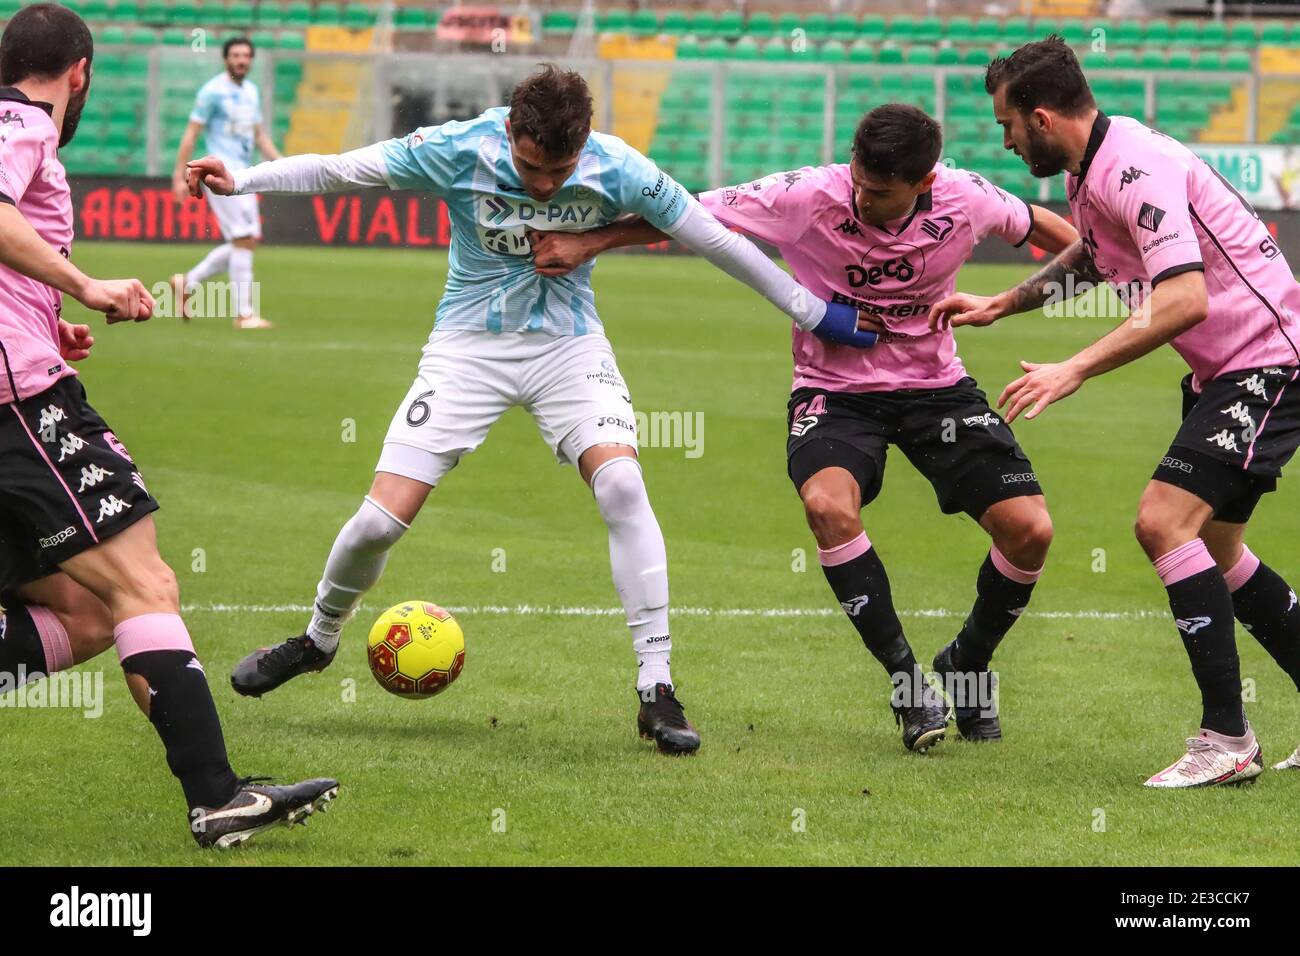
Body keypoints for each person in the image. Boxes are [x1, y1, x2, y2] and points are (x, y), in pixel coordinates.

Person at [188, 65, 878, 756]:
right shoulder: (458, 148)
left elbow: (716, 241)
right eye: (530, 167)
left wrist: (816, 313)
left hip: (568, 349)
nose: (546, 185)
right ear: (510, 130)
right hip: (467, 351)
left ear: (583, 145)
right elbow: (343, 170)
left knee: (623, 484)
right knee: (377, 521)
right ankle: (317, 639)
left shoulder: (619, 166)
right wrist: (241, 179)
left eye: (561, 170)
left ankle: (657, 688)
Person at [525, 104, 1078, 752]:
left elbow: (1044, 229)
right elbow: (686, 214)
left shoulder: (966, 197)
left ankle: (967, 663)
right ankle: (909, 686)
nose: (862, 198)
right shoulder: (805, 195)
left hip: (937, 389)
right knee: (827, 506)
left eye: (880, 193)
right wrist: (591, 242)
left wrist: (1089, 272)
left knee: (1031, 530)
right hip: (836, 393)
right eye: (859, 181)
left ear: (925, 183)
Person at [0, 4, 338, 846]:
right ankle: (217, 793)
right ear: (80, 71)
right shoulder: (18, 122)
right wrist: (86, 286)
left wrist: (45, 316)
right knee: (142, 588)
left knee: (80, 612)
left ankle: (217, 790)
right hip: (20, 404)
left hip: (19, 371)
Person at [930, 36, 1300, 786]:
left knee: (1162, 522)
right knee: (1218, 549)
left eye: (1007, 125)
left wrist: (1074, 368)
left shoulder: (1136, 168)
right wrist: (1005, 304)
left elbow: (1184, 297)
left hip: (1268, 360)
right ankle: (1231, 734)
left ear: (1041, 116)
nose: (1004, 141)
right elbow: (1097, 258)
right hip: (1228, 368)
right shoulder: (1094, 167)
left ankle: (1226, 738)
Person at [170, 36, 280, 329]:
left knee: (245, 241)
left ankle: (187, 281)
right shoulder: (213, 92)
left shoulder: (251, 92)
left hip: (244, 174)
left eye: (246, 55)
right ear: (226, 58)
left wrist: (281, 163)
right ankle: (244, 315)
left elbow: (259, 135)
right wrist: (179, 174)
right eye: (236, 55)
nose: (241, 60)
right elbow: (191, 134)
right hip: (220, 174)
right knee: (243, 239)